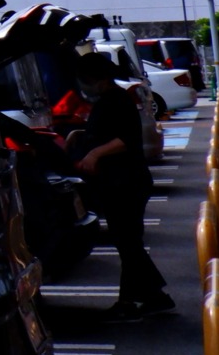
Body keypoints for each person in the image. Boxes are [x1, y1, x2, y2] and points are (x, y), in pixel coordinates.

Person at [67, 53, 171, 318]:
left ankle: (139, 299)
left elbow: (125, 139)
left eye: (85, 80)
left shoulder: (116, 100)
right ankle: (149, 297)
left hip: (126, 183)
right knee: (128, 241)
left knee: (127, 241)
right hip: (121, 182)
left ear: (98, 79)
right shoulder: (109, 100)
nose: (83, 85)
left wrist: (94, 154)